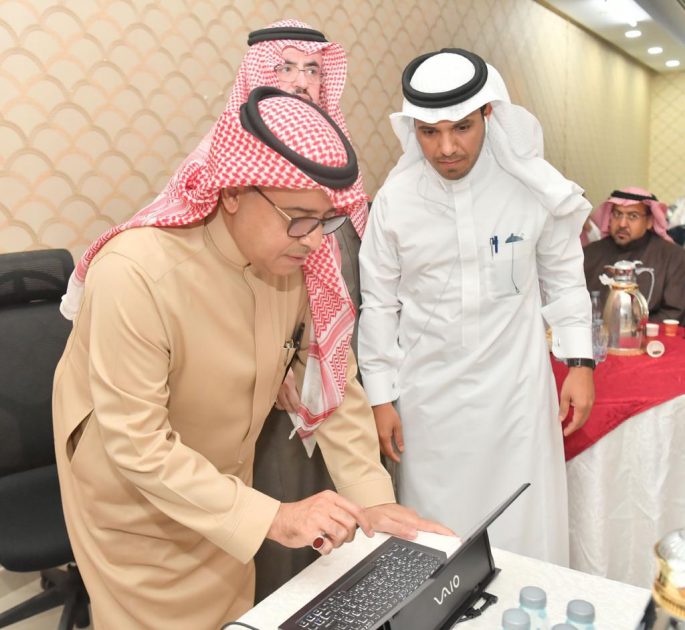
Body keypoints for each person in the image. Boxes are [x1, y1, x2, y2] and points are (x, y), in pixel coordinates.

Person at [53, 88, 449, 629]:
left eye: (326, 221)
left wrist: (374, 502)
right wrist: (274, 517)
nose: (315, 242)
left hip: (226, 489)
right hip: (134, 499)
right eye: (299, 218)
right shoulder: (135, 274)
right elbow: (137, 445)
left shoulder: (295, 263)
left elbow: (330, 385)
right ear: (235, 192)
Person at [357, 48, 595, 565]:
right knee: (436, 540)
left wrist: (579, 362)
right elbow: (378, 304)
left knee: (524, 529)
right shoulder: (396, 201)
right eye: (429, 132)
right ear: (412, 129)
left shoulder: (531, 188)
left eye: (461, 128)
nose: (446, 148)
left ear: (488, 113)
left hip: (517, 396)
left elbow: (564, 276)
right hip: (428, 401)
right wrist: (379, 397)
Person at [584, 187, 685, 324]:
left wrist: (633, 331)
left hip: (649, 334)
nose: (622, 224)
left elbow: (673, 314)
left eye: (633, 216)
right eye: (617, 214)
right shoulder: (589, 253)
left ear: (649, 221)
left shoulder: (673, 257)